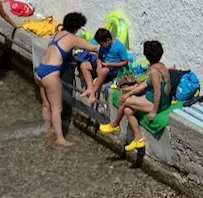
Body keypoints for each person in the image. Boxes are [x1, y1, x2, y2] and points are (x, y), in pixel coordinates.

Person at [35, 12, 98, 147]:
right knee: (57, 108)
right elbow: (94, 48)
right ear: (77, 27)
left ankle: (49, 130)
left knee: (47, 105)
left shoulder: (57, 34)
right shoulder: (72, 38)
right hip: (51, 75)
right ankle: (60, 139)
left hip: (40, 71)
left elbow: (58, 53)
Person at [100, 40, 171, 152]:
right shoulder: (161, 66)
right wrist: (129, 93)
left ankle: (114, 125)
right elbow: (145, 84)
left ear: (147, 56)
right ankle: (138, 139)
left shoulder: (154, 71)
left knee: (125, 102)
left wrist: (154, 112)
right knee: (128, 110)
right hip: (154, 99)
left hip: (156, 103)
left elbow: (158, 93)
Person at [78, 28, 133, 103]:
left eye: (102, 44)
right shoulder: (103, 46)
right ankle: (90, 87)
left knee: (104, 71)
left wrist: (108, 64)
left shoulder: (119, 47)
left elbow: (125, 62)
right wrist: (98, 65)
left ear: (108, 40)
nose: (101, 46)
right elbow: (99, 57)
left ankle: (93, 92)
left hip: (113, 68)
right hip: (103, 65)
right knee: (84, 65)